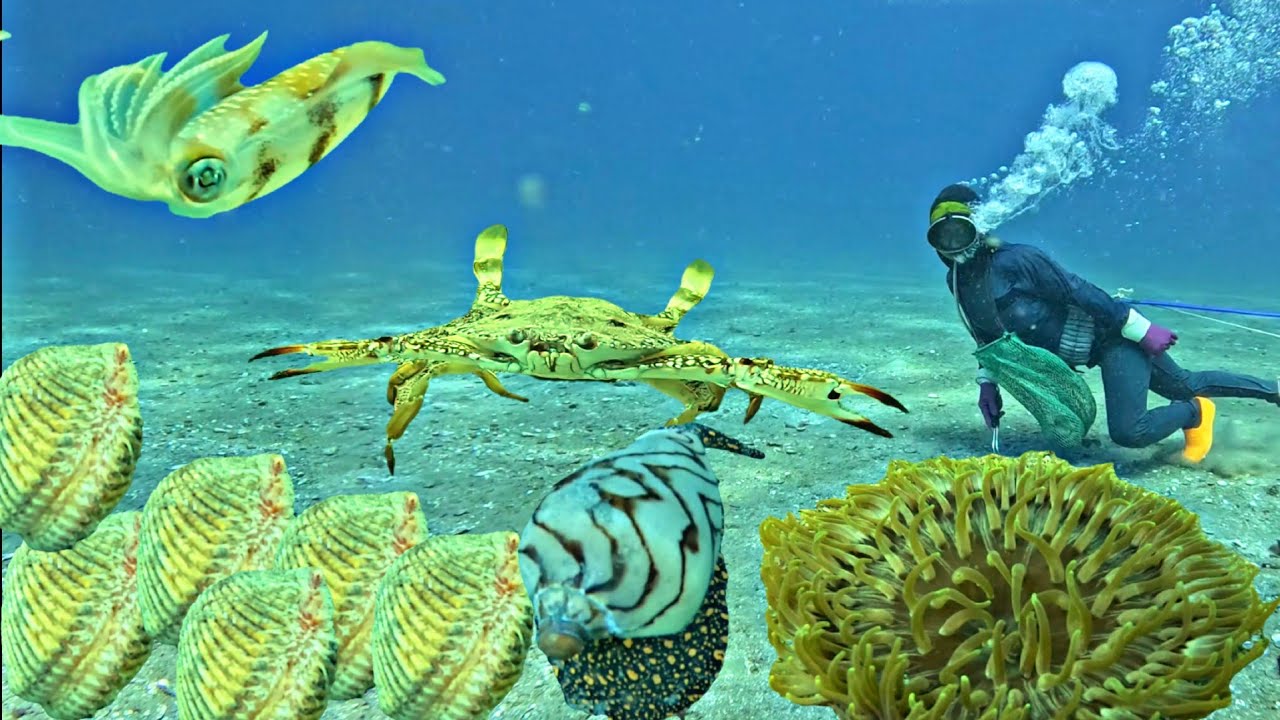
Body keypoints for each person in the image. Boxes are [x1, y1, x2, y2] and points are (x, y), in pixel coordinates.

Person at [926, 183, 1278, 462]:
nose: (953, 244)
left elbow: (1080, 291)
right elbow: (988, 335)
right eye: (942, 236)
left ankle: (1200, 410)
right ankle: (1209, 403)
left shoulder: (1018, 259)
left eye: (959, 230)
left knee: (1133, 430)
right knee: (1183, 382)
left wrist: (1140, 328)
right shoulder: (956, 281)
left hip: (1114, 340)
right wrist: (988, 383)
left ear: (978, 226)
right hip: (1089, 352)